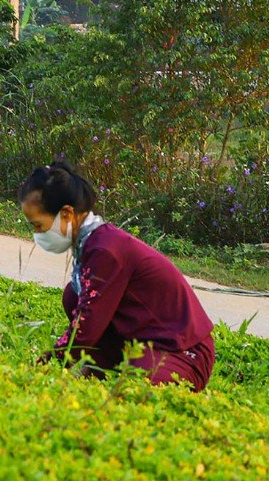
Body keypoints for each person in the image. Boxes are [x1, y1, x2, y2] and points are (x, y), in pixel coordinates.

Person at [20, 161, 213, 391]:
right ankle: (99, 368)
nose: (37, 234)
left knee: (133, 394)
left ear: (67, 214)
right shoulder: (90, 244)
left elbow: (87, 324)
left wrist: (46, 365)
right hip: (140, 343)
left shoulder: (105, 250)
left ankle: (105, 370)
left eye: (39, 226)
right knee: (73, 295)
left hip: (180, 349)